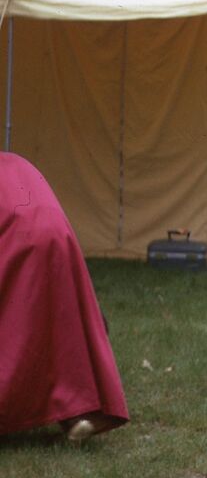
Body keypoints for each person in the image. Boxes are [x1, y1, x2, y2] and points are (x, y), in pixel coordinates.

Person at [0, 153, 129, 441]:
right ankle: (76, 414)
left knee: (19, 329)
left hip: (23, 238)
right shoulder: (16, 164)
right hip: (55, 238)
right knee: (62, 322)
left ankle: (66, 412)